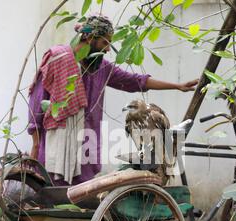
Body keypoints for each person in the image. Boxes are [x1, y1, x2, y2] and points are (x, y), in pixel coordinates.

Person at [28, 14, 198, 186]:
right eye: (105, 43)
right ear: (89, 38)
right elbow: (37, 102)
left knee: (81, 200)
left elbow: (136, 81)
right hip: (55, 148)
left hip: (87, 146)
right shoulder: (59, 60)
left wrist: (177, 86)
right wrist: (35, 144)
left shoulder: (101, 68)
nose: (108, 49)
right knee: (51, 195)